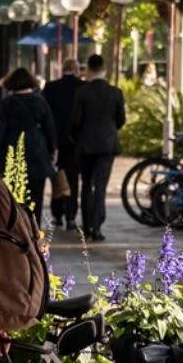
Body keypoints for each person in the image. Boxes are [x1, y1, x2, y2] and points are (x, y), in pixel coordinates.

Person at [65, 55, 127, 242]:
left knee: (86, 186)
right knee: (101, 187)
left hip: (86, 145)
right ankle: (98, 226)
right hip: (107, 145)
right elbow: (121, 120)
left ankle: (88, 225)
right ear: (104, 69)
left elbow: (75, 121)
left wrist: (77, 137)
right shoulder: (116, 92)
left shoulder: (82, 92)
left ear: (89, 69)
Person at [0, 68, 58, 219]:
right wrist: (54, 149)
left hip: (11, 153)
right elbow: (49, 127)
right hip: (36, 152)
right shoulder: (40, 101)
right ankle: (34, 231)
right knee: (35, 198)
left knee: (11, 198)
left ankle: (16, 231)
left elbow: (0, 128)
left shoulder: (7, 103)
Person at [43, 59, 86, 231]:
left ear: (62, 69)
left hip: (55, 140)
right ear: (76, 70)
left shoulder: (51, 87)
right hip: (75, 141)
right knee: (73, 179)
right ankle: (71, 216)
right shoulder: (82, 87)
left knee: (56, 177)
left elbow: (46, 115)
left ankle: (57, 213)